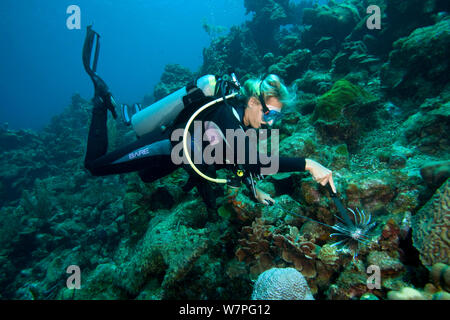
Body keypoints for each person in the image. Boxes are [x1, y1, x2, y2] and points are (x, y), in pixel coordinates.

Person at [82, 28, 336, 213]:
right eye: (269, 113)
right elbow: (256, 162)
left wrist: (253, 189)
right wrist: (309, 164)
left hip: (182, 158)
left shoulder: (242, 127)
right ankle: (101, 102)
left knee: (147, 177)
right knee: (95, 166)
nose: (271, 123)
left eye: (276, 117)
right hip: (166, 145)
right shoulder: (227, 114)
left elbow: (239, 160)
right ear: (253, 103)